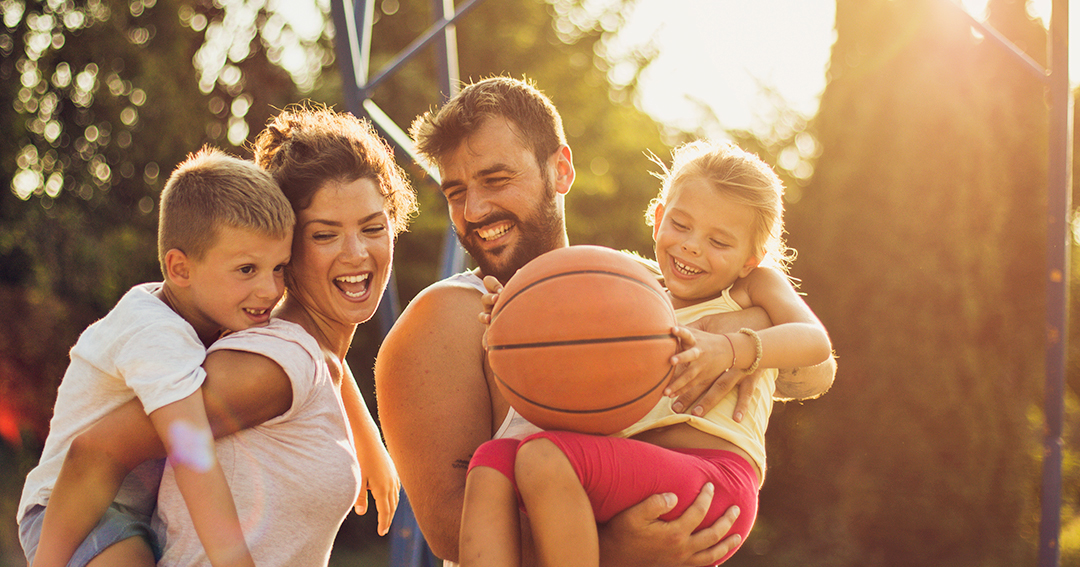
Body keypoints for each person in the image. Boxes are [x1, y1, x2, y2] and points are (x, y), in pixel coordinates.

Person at [375, 76, 835, 567]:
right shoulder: (446, 314)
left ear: (561, 170)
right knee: (512, 463)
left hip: (702, 482)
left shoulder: (640, 288)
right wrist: (616, 552)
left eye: (496, 179)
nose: (475, 209)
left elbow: (816, 370)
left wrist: (738, 337)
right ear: (660, 219)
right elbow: (450, 529)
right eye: (455, 191)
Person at [25, 103, 416, 566]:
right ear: (291, 245)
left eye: (373, 227)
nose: (356, 253)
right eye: (325, 235)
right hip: (76, 512)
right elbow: (103, 448)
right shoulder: (207, 348)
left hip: (123, 509)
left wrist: (368, 440)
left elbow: (319, 358)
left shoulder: (246, 324)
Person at [19, 147, 294, 567]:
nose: (271, 290)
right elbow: (191, 454)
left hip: (142, 513)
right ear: (180, 269)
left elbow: (311, 350)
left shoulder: (213, 307)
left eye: (279, 268)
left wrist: (365, 439)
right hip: (77, 511)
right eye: (247, 270)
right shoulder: (155, 334)